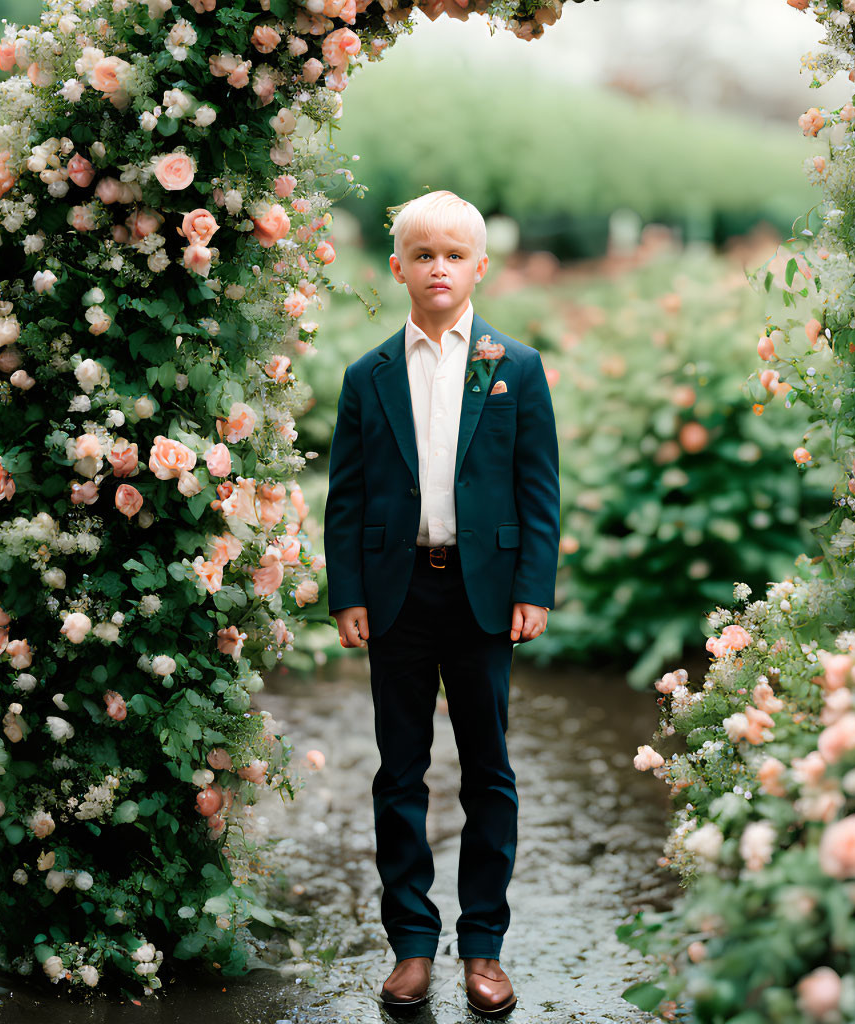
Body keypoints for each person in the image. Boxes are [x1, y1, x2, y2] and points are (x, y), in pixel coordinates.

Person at [324, 190, 559, 1018]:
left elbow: (539, 489)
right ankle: (412, 945)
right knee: (401, 772)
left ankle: (484, 946)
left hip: (483, 594)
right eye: (423, 255)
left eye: (454, 255)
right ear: (399, 269)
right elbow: (345, 498)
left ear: (479, 268)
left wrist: (533, 586)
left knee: (489, 772)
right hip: (396, 594)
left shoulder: (515, 368)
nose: (438, 268)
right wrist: (345, 593)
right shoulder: (368, 376)